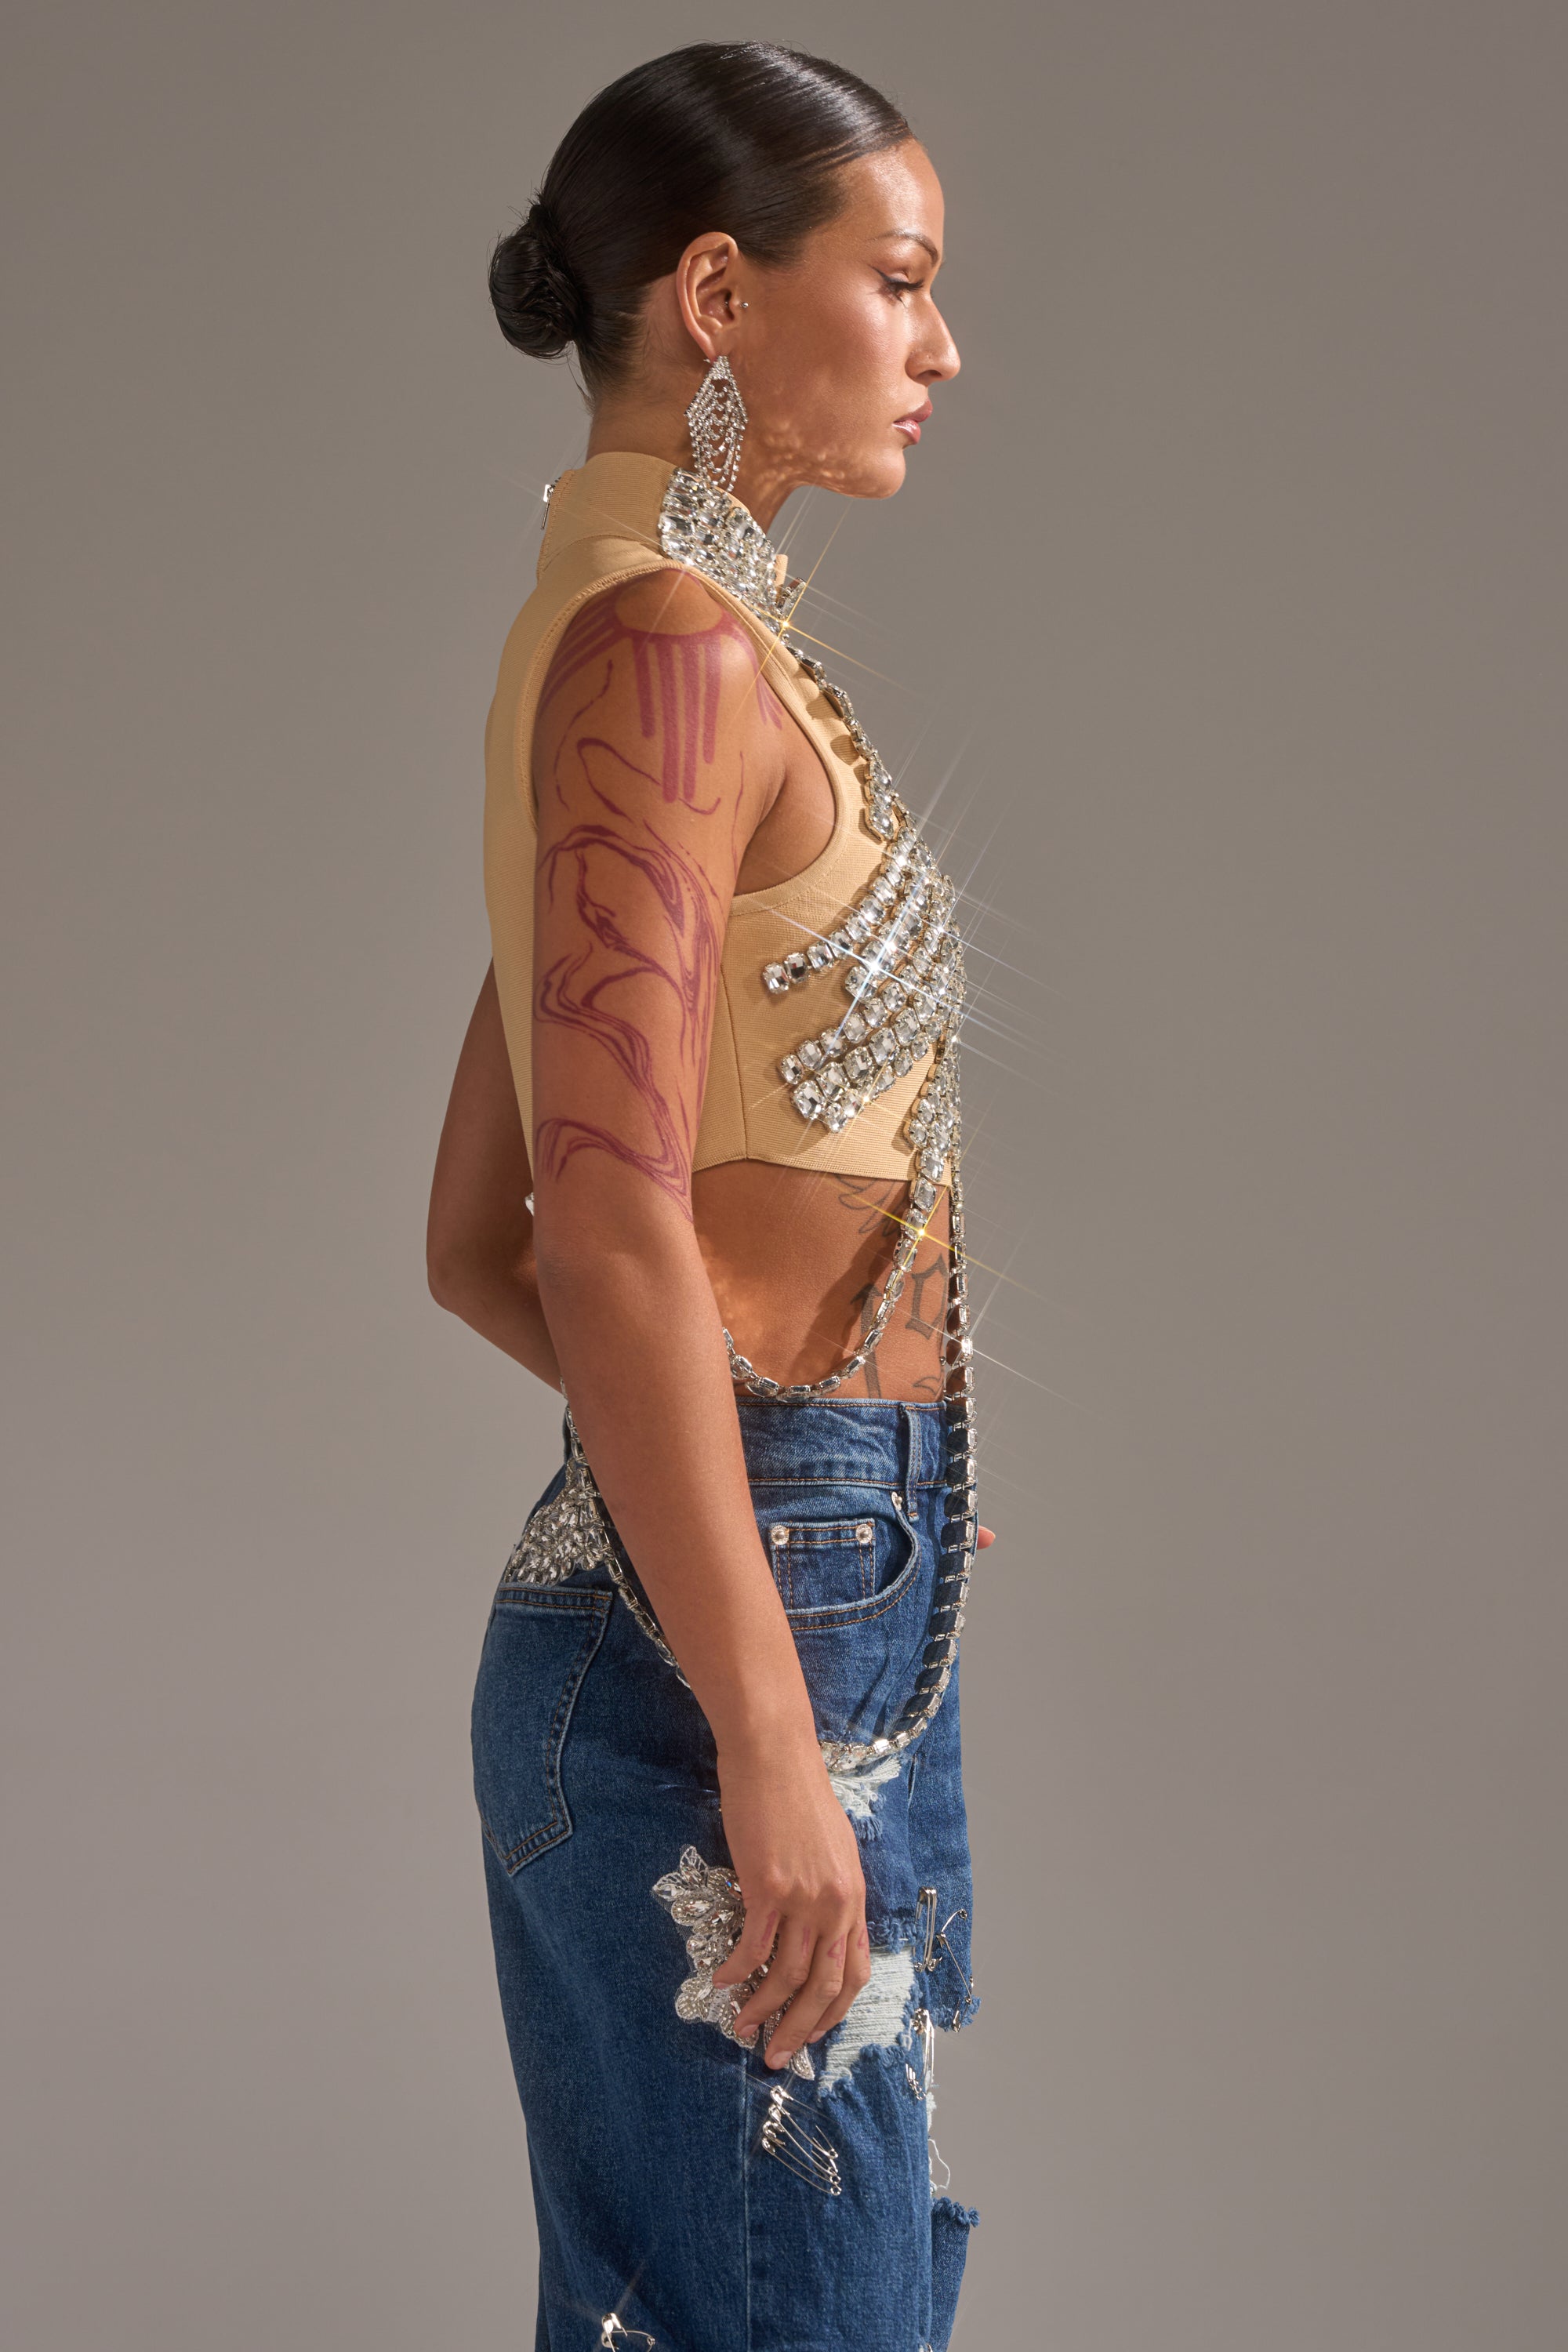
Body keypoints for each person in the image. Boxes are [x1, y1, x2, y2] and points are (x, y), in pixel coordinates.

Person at [426, 41, 993, 2352]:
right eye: (902, 278)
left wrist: (755, 1509)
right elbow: (596, 1221)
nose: (941, 345)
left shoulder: (652, 635)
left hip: (785, 1586)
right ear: (720, 297)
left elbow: (475, 1232)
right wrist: (761, 1698)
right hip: (751, 1644)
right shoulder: (665, 657)